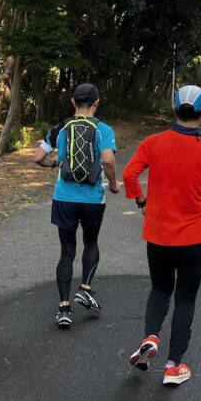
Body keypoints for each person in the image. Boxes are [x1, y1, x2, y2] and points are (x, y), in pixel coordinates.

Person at [123, 85, 201, 386]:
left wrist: (140, 200)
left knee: (160, 290)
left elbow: (129, 174)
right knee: (185, 297)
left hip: (159, 235)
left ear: (174, 110)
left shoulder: (153, 143)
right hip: (195, 237)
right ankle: (174, 366)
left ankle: (150, 337)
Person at [32, 83, 119, 329]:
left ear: (73, 102)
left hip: (64, 198)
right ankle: (85, 289)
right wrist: (113, 183)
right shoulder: (103, 129)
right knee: (91, 242)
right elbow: (108, 160)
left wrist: (54, 164)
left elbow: (37, 157)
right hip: (92, 199)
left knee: (66, 251)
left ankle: (63, 308)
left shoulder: (60, 128)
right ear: (97, 102)